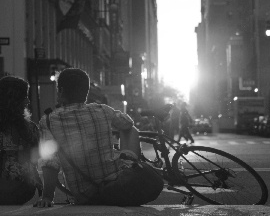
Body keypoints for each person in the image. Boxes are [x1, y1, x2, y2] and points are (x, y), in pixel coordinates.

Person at [35, 68, 163, 207]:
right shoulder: (102, 110)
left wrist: (47, 197)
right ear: (86, 92)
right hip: (116, 181)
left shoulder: (48, 121)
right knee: (131, 130)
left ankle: (128, 164)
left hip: (85, 195)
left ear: (60, 91)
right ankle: (133, 164)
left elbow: (50, 162)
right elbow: (128, 123)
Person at [0, 76, 42, 205]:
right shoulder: (31, 129)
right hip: (24, 191)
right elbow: (35, 160)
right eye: (25, 97)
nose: (28, 101)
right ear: (15, 101)